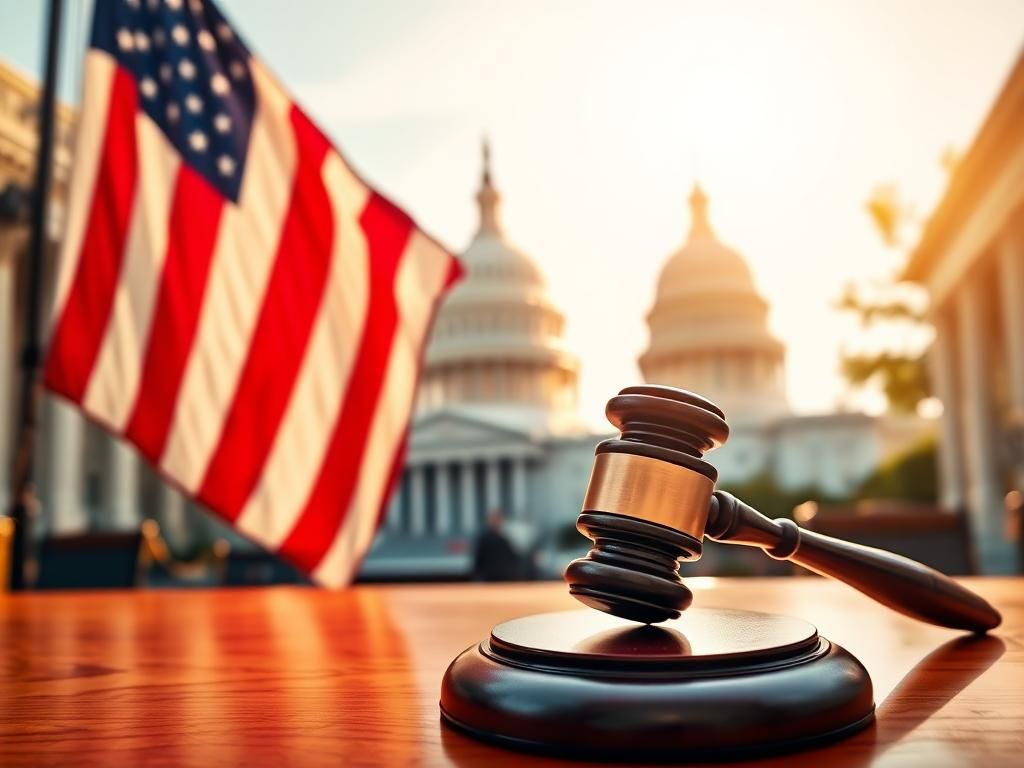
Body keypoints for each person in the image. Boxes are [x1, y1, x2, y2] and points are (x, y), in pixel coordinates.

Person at [472, 510, 522, 582]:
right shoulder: (484, 540)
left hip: (504, 579)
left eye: (497, 520)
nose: (495, 522)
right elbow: (478, 560)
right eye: (493, 519)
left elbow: (512, 559)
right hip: (489, 579)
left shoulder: (505, 540)